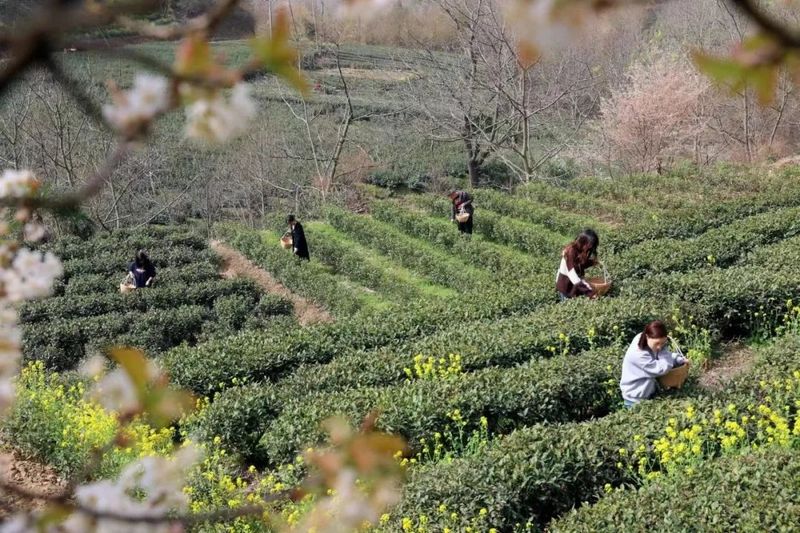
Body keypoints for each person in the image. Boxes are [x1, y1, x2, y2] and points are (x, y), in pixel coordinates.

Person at [619, 320, 688, 409]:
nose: (659, 347)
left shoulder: (644, 339)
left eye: (663, 343)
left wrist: (679, 359)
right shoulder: (638, 354)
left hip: (648, 393)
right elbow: (662, 368)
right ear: (647, 336)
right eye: (657, 343)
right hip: (635, 400)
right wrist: (663, 349)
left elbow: (662, 355)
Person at [556, 229, 599, 301]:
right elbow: (572, 275)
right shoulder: (570, 251)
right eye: (589, 244)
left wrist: (592, 262)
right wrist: (589, 293)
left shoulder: (581, 250)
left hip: (574, 287)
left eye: (591, 245)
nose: (590, 247)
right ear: (583, 241)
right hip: (566, 287)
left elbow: (580, 264)